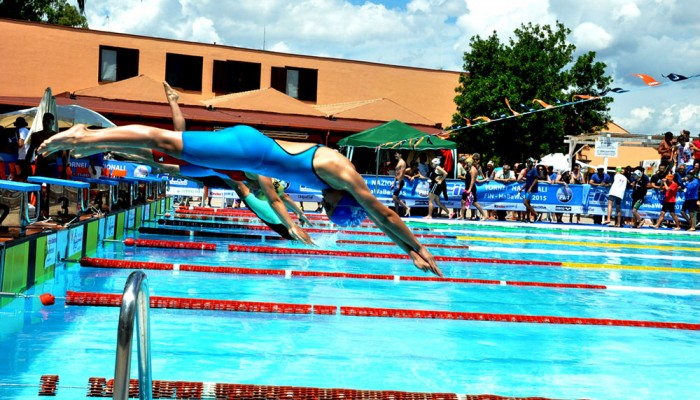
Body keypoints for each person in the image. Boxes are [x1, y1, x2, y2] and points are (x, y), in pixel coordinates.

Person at [39, 123, 442, 277]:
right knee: (165, 141)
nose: (326, 204)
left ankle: (89, 140)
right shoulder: (343, 173)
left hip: (244, 154)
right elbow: (383, 212)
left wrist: (407, 250)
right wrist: (417, 249)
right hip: (246, 148)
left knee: (172, 153)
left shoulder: (335, 178)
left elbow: (378, 217)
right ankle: (84, 135)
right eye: (334, 207)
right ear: (347, 199)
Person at [518, 157, 539, 222]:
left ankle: (536, 214)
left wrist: (531, 187)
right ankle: (528, 218)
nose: (527, 163)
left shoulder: (534, 169)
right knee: (528, 204)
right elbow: (527, 182)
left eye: (529, 162)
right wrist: (522, 188)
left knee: (525, 202)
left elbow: (536, 179)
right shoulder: (528, 170)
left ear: (531, 163)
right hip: (527, 188)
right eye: (527, 162)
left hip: (531, 189)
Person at [390, 151, 410, 217]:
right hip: (398, 182)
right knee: (396, 198)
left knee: (394, 198)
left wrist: (399, 183)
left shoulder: (402, 162)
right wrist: (394, 183)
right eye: (395, 154)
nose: (395, 155)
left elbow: (401, 173)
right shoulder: (399, 162)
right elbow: (396, 174)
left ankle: (407, 207)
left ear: (400, 155)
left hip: (400, 182)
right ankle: (396, 213)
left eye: (396, 154)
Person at [13, 116, 30, 181]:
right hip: (29, 155)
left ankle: (21, 182)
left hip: (23, 155)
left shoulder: (21, 131)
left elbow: (20, 144)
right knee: (26, 173)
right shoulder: (28, 131)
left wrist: (14, 146)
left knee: (18, 168)